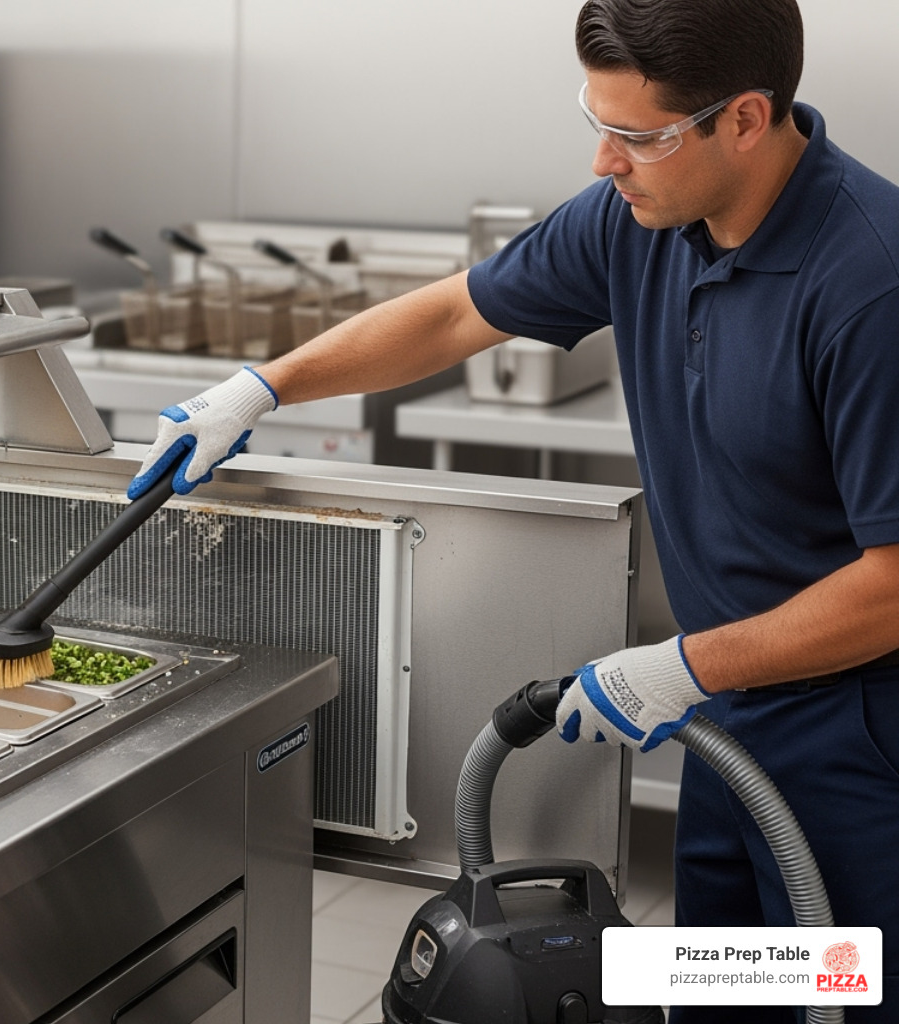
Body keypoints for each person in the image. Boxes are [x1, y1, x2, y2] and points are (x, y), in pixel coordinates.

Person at [130, 1, 899, 1020]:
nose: (603, 163)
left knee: (847, 991)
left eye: (639, 137)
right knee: (729, 994)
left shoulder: (870, 284)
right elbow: (456, 311)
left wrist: (682, 663)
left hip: (859, 745)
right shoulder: (640, 223)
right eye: (598, 120)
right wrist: (262, 387)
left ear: (747, 120)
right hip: (727, 726)